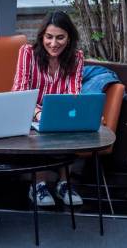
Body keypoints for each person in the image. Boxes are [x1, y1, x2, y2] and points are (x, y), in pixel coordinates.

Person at [12, 11, 84, 207]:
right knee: (38, 128)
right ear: (42, 36)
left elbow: (73, 93)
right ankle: (38, 185)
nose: (54, 43)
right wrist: (38, 113)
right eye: (49, 37)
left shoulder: (76, 57)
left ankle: (64, 184)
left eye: (60, 37)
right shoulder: (27, 52)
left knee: (71, 124)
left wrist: (65, 112)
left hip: (57, 113)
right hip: (26, 111)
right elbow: (20, 93)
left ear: (69, 38)